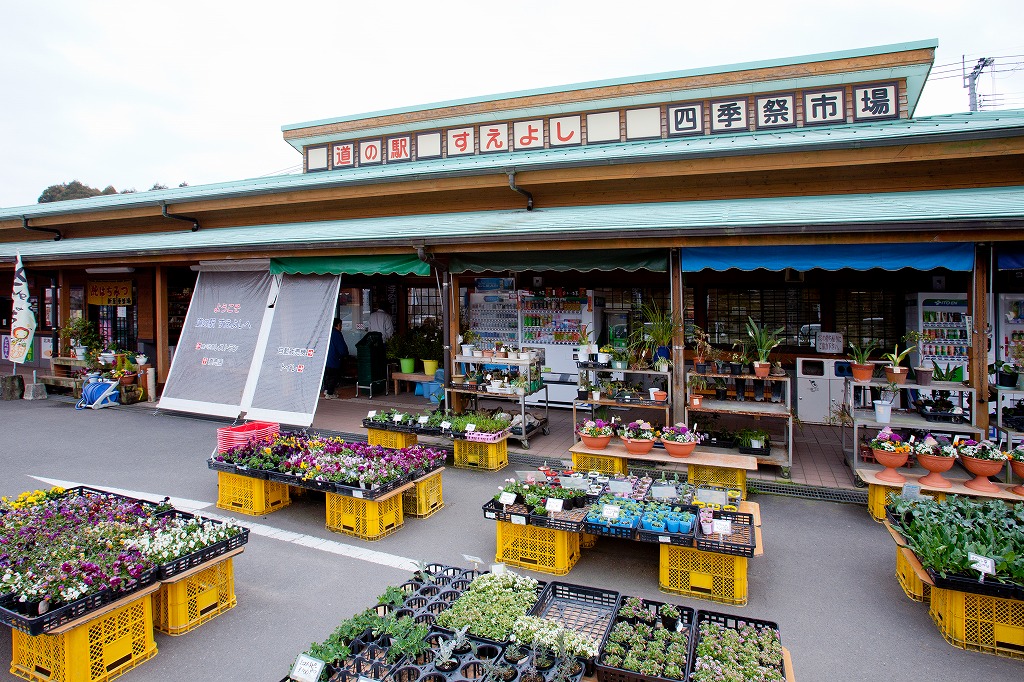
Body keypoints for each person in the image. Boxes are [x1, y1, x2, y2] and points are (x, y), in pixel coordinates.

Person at [322, 318, 348, 399]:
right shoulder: (337, 334)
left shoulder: (327, 332)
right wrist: (345, 354)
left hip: (326, 359)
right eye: (341, 325)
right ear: (338, 325)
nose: (341, 327)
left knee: (327, 376)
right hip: (334, 359)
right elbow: (342, 348)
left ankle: (326, 390)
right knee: (334, 376)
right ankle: (330, 393)